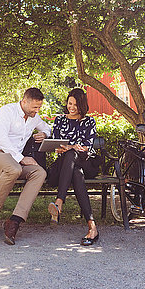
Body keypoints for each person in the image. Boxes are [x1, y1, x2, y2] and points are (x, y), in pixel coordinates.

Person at [0, 87, 51, 245]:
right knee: (14, 168)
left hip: (15, 163)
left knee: (39, 173)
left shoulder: (33, 116)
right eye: (35, 107)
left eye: (39, 107)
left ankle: (14, 221)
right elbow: (1, 138)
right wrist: (21, 158)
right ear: (24, 101)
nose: (37, 110)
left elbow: (47, 127)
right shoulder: (6, 112)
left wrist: (45, 134)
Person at [47, 88, 100, 246]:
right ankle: (92, 227)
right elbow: (57, 145)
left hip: (86, 163)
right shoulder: (59, 120)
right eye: (70, 103)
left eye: (76, 104)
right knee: (76, 173)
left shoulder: (89, 121)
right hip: (65, 167)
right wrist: (70, 147)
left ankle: (59, 203)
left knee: (72, 155)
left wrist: (70, 147)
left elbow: (86, 148)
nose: (72, 107)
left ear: (82, 105)